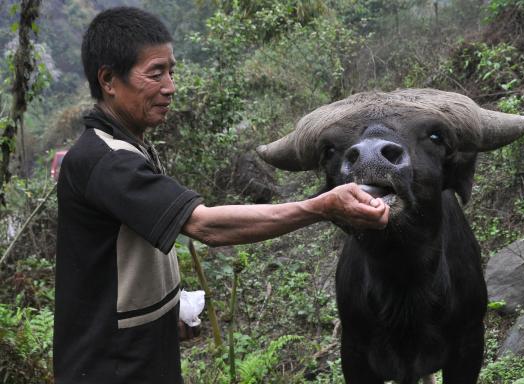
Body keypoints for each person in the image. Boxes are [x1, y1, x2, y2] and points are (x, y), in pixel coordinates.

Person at [54, 6, 389, 384]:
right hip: (109, 367)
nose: (170, 86)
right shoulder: (106, 160)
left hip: (139, 354)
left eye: (171, 71)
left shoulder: (128, 146)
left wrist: (169, 310)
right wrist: (321, 206)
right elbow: (205, 226)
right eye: (155, 73)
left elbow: (122, 258)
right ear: (109, 80)